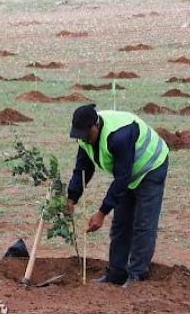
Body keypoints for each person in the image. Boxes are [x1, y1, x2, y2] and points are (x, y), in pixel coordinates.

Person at [66, 104, 169, 287]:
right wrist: (72, 197)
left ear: (95, 126)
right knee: (121, 223)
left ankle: (137, 275)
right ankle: (116, 273)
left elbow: (122, 178)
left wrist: (102, 212)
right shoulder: (84, 137)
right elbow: (83, 168)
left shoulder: (119, 136)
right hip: (127, 173)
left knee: (143, 223)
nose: (84, 140)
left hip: (151, 166)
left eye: (86, 135)